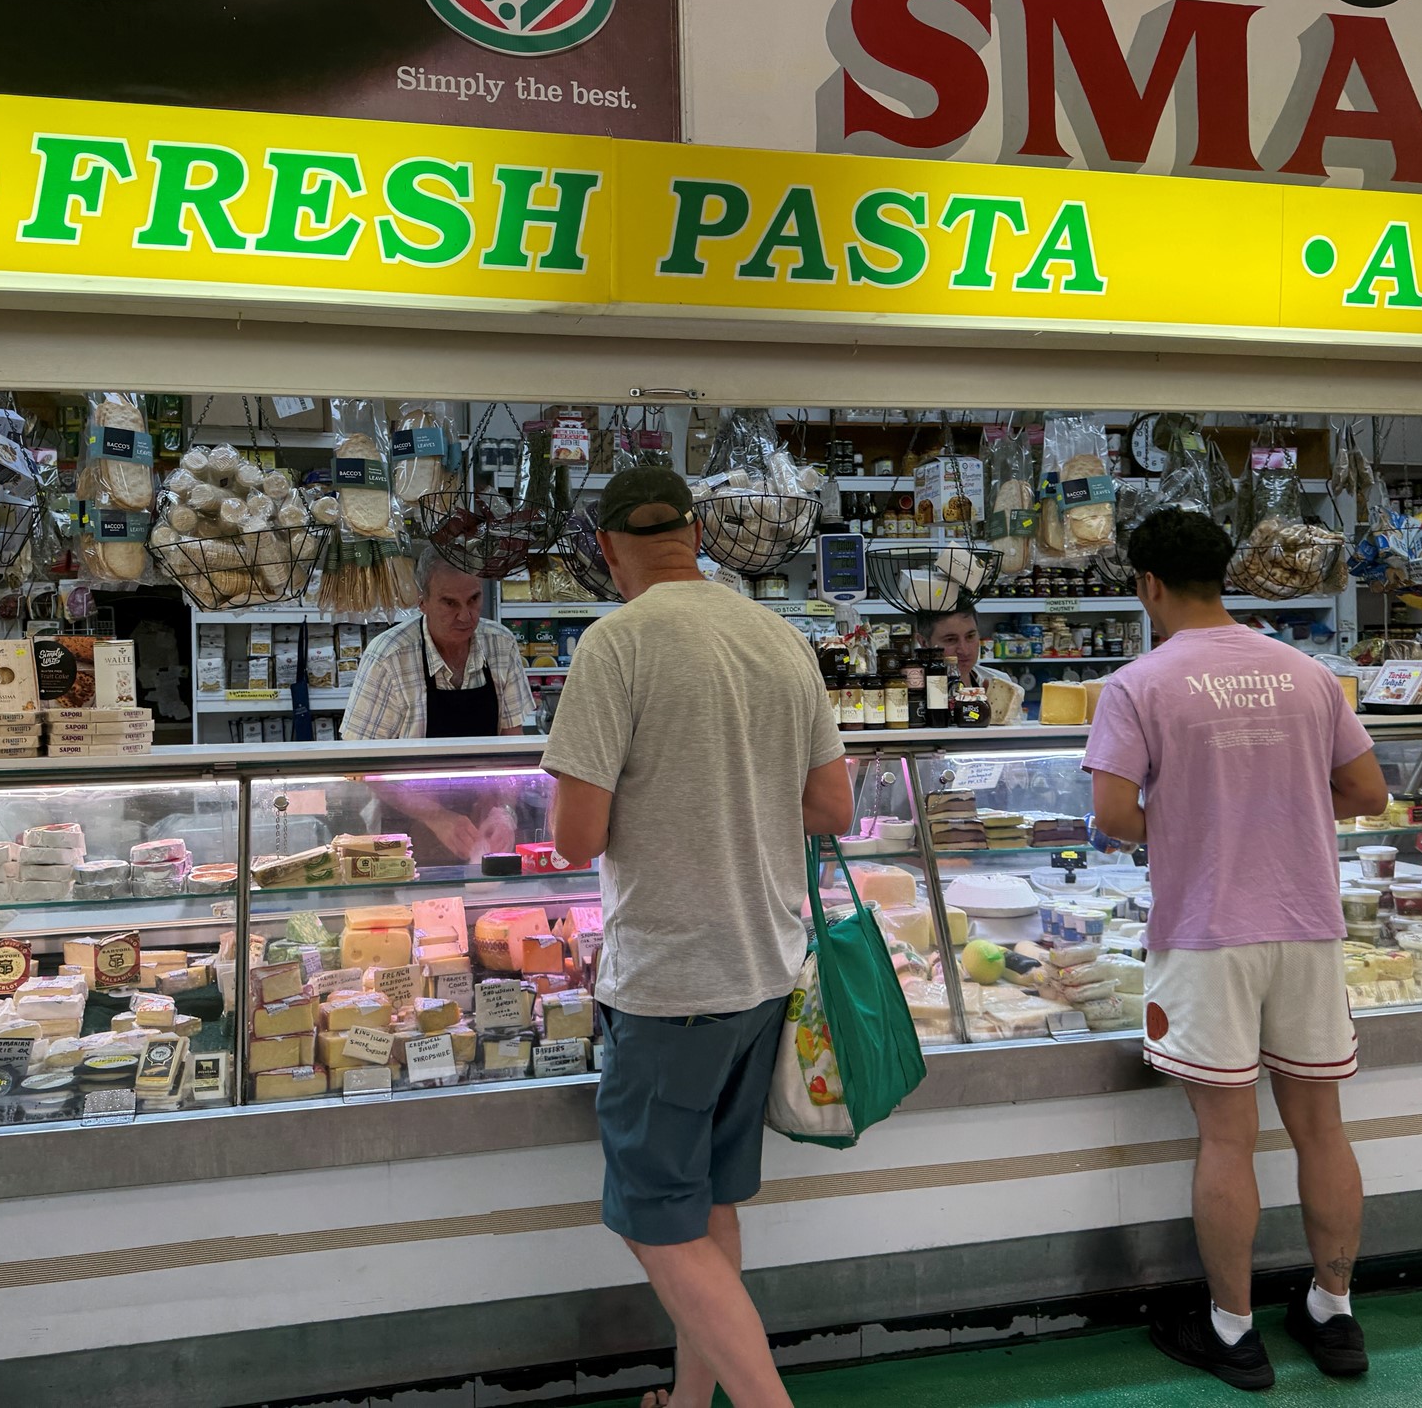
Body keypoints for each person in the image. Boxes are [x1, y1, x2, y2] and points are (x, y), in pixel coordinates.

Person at [544, 466, 854, 1408]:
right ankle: (689, 1405)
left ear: (607, 551)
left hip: (671, 982)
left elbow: (576, 837)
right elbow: (832, 805)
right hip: (765, 966)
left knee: (654, 1221)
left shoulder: (615, 645)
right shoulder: (778, 637)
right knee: (709, 1207)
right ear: (698, 534)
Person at [1082, 508, 1388, 1393]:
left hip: (1208, 931)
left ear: (1148, 586)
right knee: (1322, 1127)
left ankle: (1232, 1330)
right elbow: (1364, 790)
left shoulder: (1140, 683)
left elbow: (1110, 816)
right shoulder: (1306, 673)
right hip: (1308, 925)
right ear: (1228, 577)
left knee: (1226, 1138)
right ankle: (1334, 1314)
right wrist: (1276, 809)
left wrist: (1191, 829)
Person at [342, 546, 536, 863]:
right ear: (423, 602)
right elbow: (361, 763)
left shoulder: (500, 644)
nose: (466, 615)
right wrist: (437, 817)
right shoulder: (388, 657)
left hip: (485, 824)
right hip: (406, 829)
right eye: (450, 603)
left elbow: (512, 743)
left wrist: (505, 809)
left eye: (474, 599)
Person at [915, 598, 999, 688]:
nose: (964, 651)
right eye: (950, 640)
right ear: (924, 643)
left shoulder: (1001, 684)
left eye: (970, 636)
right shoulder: (908, 694)